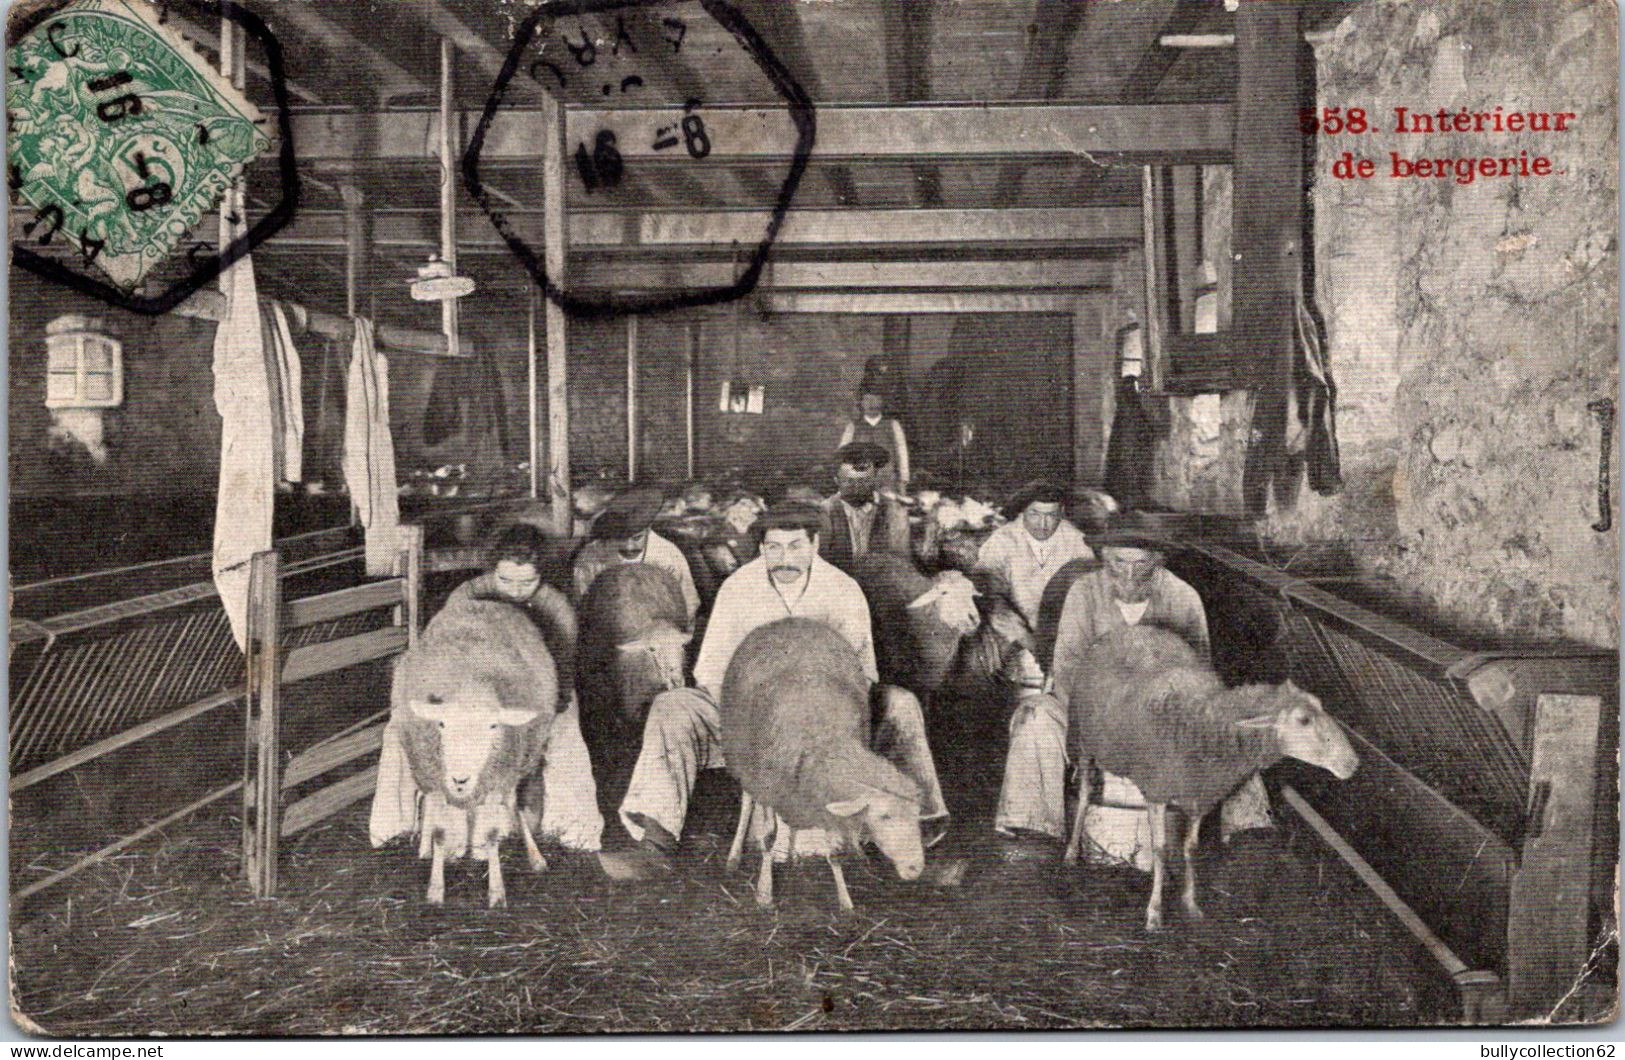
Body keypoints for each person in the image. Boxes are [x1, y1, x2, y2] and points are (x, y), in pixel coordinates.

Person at [598, 502, 960, 883]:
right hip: (747, 718)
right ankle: (655, 844)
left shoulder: (842, 590)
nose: (784, 557)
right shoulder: (739, 589)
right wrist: (752, 717)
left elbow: (862, 673)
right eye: (774, 547)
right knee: (673, 707)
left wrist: (821, 722)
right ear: (760, 549)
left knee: (901, 704)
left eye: (795, 546)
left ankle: (918, 839)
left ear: (814, 545)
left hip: (829, 723)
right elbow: (712, 671)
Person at [993, 512, 1270, 859]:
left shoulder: (1183, 597)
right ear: (1104, 558)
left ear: (1158, 560)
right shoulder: (1084, 593)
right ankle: (1033, 830)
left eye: (1140, 564)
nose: (1129, 573)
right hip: (1092, 712)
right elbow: (1067, 669)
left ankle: (1249, 832)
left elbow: (1200, 680)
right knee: (1035, 715)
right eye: (1119, 563)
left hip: (1161, 721)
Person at [370, 524, 604, 853]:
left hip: (535, 687)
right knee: (402, 731)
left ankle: (574, 834)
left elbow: (562, 667)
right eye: (505, 580)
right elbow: (444, 645)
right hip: (465, 691)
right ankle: (392, 830)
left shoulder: (556, 607)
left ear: (542, 575)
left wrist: (548, 708)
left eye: (527, 582)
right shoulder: (468, 594)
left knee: (565, 736)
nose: (515, 591)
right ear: (492, 570)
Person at [974, 481, 1095, 630]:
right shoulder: (1002, 540)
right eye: (1034, 514)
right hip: (1014, 623)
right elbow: (988, 589)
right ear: (1023, 511)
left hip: (1064, 623)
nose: (1043, 524)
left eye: (1051, 515)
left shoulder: (1076, 539)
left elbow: (1090, 587)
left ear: (1061, 512)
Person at [572, 486, 701, 624]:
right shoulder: (591, 557)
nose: (629, 546)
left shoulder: (668, 554)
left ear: (648, 528)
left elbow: (689, 604)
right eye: (620, 538)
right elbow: (582, 606)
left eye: (637, 538)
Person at [819, 441, 912, 574]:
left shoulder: (894, 511)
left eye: (864, 481)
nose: (857, 488)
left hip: (883, 585)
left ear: (875, 478)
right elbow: (820, 562)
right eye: (849, 482)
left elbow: (902, 561)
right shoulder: (826, 510)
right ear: (836, 480)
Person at [838, 389, 909, 491]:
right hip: (860, 481)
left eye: (875, 399)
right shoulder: (852, 427)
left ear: (881, 402)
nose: (871, 403)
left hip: (887, 481)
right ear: (861, 403)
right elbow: (842, 454)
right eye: (867, 399)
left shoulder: (893, 425)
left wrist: (904, 479)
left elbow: (902, 453)